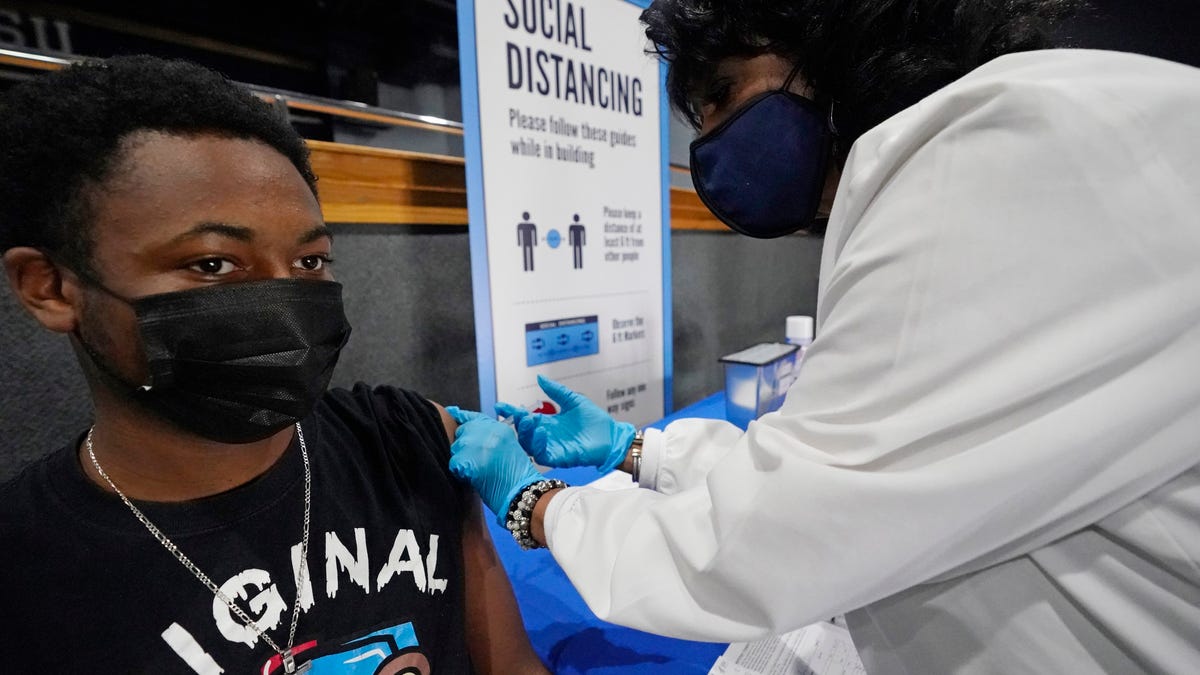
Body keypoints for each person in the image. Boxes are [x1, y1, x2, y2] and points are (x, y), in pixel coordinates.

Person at [446, 1, 1200, 672]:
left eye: (723, 93)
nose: (708, 145)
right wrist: (636, 450)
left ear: (832, 31)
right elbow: (854, 457)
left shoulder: (989, 155)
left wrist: (535, 504)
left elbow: (771, 542)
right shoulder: (991, 141)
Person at [0, 56, 547, 674]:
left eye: (310, 262)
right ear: (50, 287)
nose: (285, 308)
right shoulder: (24, 572)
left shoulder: (405, 440)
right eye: (213, 264)